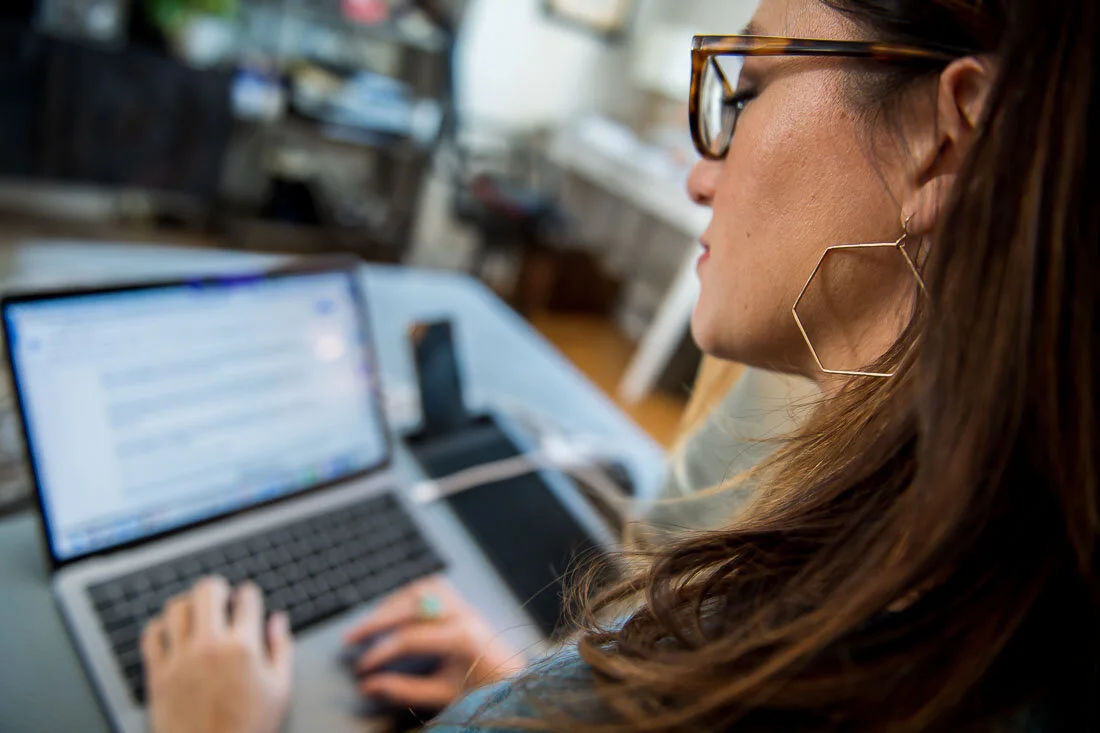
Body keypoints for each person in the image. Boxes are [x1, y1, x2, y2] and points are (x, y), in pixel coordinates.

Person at [140, 0, 1100, 730]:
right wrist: (539, 684)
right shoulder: (1000, 584)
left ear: (946, 138)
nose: (699, 171)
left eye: (749, 89)